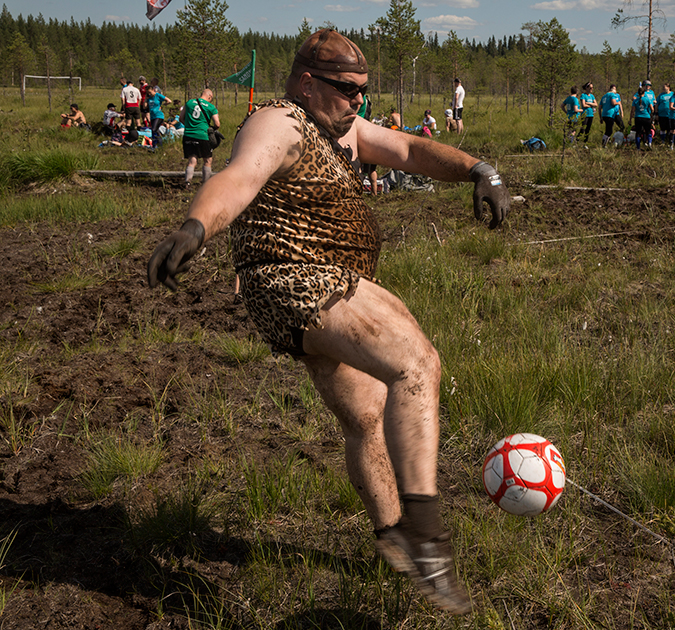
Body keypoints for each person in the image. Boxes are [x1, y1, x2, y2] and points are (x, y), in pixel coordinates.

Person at [146, 28, 509, 615]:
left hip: (329, 285)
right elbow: (239, 176)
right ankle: (428, 532)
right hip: (298, 280)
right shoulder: (281, 123)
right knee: (417, 364)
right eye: (346, 90)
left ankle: (393, 536)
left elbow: (412, 150)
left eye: (363, 91)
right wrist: (195, 227)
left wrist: (479, 169)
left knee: (367, 418)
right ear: (307, 82)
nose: (357, 102)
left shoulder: (343, 127)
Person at [181, 88, 221, 187]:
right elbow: (217, 123)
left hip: (188, 135)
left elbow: (181, 118)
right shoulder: (211, 107)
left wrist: (190, 126)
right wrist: (212, 129)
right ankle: (205, 184)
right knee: (207, 160)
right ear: (209, 96)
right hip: (202, 135)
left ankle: (188, 182)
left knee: (192, 160)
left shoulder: (189, 103)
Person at [358, 95, 379, 194]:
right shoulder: (366, 101)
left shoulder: (360, 99)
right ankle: (374, 193)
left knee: (359, 168)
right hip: (371, 138)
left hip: (361, 136)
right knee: (371, 170)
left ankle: (358, 193)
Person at [631, 80, 656, 150]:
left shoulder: (636, 101)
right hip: (646, 116)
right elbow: (652, 109)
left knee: (638, 133)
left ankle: (638, 147)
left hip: (638, 117)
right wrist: (651, 112)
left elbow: (632, 111)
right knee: (648, 131)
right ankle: (649, 144)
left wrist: (630, 119)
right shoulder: (647, 99)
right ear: (644, 92)